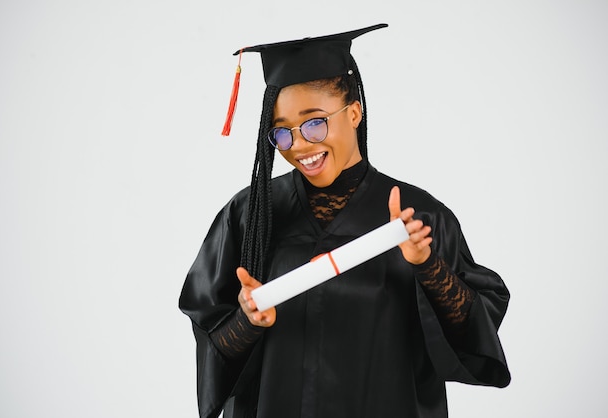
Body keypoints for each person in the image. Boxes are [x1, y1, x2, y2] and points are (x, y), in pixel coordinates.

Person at [179, 23, 511, 418]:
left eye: (314, 122)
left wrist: (427, 266)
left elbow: (474, 329)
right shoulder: (250, 215)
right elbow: (215, 346)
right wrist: (248, 320)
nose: (299, 144)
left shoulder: (419, 216)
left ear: (354, 112)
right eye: (282, 133)